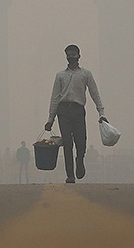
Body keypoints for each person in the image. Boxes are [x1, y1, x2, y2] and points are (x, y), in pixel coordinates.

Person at [44, 44, 107, 183]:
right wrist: (50, 119)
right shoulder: (60, 75)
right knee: (67, 143)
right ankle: (70, 175)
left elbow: (94, 93)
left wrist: (101, 113)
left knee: (81, 141)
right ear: (66, 57)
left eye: (73, 54)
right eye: (68, 55)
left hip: (78, 110)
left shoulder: (85, 74)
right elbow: (55, 97)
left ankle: (80, 161)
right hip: (63, 111)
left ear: (79, 56)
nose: (71, 57)